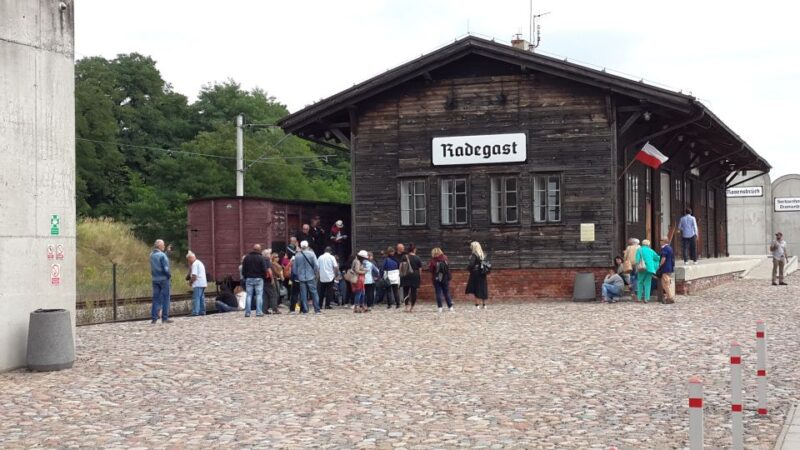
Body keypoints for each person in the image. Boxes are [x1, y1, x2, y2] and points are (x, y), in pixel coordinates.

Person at [292, 240, 321, 313]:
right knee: (314, 292)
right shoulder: (311, 254)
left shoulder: (297, 255)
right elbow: (316, 265)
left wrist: (297, 274)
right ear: (307, 246)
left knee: (303, 294)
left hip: (301, 277)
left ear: (301, 247)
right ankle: (317, 309)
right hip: (311, 276)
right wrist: (315, 272)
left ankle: (305, 309)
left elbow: (294, 268)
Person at [241, 244, 269, 317]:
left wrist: (245, 276)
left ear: (253, 249)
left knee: (249, 295)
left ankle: (247, 312)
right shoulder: (261, 258)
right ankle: (259, 312)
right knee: (259, 295)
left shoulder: (247, 258)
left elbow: (243, 269)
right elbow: (264, 269)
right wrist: (263, 276)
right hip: (259, 278)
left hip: (249, 278)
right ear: (259, 250)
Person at [150, 239, 172, 324]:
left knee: (155, 299)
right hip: (164, 279)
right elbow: (165, 268)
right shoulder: (162, 255)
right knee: (166, 298)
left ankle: (154, 318)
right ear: (159, 246)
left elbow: (159, 259)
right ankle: (165, 318)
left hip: (155, 279)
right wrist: (169, 275)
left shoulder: (151, 255)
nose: (164, 246)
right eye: (163, 245)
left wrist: (167, 252)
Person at [428, 247, 454, 312]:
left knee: (438, 292)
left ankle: (440, 307)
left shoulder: (433, 260)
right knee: (446, 292)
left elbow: (431, 270)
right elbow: (448, 267)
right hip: (445, 278)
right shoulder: (445, 258)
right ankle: (450, 307)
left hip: (436, 278)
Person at [400, 243, 423, 312]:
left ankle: (406, 306)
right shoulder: (417, 258)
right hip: (415, 275)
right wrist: (419, 276)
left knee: (405, 291)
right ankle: (412, 308)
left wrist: (400, 274)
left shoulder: (404, 257)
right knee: (413, 292)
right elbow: (420, 269)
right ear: (414, 250)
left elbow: (400, 267)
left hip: (406, 275)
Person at [466, 241, 489, 309]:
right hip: (483, 273)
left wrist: (468, 268)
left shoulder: (474, 255)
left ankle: (477, 305)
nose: (470, 247)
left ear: (474, 247)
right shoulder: (483, 254)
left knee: (476, 289)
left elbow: (471, 265)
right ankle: (484, 305)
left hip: (475, 274)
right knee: (483, 288)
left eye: (471, 246)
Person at [186, 251, 207, 316]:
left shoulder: (195, 264)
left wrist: (190, 283)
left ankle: (195, 312)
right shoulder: (199, 262)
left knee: (196, 298)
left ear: (191, 258)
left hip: (198, 283)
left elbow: (194, 276)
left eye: (188, 259)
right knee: (201, 298)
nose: (188, 261)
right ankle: (202, 311)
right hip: (203, 283)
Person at [658, 237, 676, 303]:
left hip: (665, 268)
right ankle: (669, 297)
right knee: (667, 282)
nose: (660, 242)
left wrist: (660, 265)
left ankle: (670, 298)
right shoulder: (670, 248)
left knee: (665, 284)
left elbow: (663, 258)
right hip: (669, 267)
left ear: (664, 241)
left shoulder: (664, 248)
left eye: (661, 240)